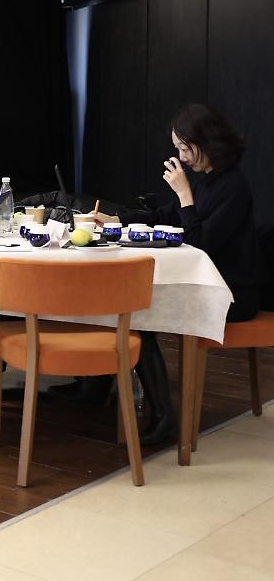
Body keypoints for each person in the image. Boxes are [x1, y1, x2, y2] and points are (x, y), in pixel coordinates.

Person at [90, 104, 259, 444]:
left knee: (137, 314)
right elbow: (167, 215)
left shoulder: (233, 187)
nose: (180, 157)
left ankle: (163, 417)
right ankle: (92, 389)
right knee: (126, 305)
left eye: (184, 148)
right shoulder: (208, 180)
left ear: (206, 142)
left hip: (231, 293)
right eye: (177, 148)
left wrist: (184, 194)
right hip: (207, 285)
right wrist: (118, 220)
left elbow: (200, 244)